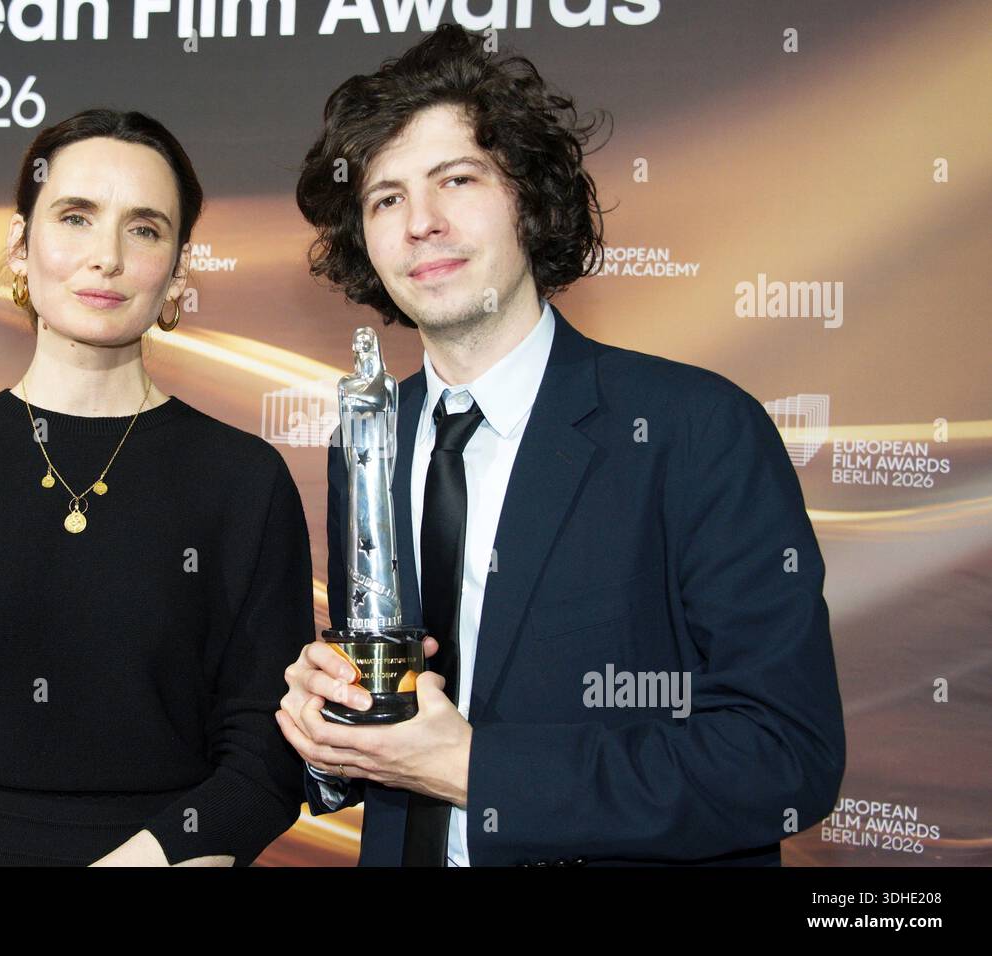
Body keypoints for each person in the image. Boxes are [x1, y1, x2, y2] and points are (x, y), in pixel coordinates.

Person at [277, 24, 846, 867]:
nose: (420, 223)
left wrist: (473, 768)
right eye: (385, 198)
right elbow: (401, 732)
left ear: (529, 201)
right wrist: (333, 741)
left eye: (456, 180)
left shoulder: (697, 429)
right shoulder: (370, 435)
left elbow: (783, 758)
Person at [0, 108, 312, 866]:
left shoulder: (243, 481)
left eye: (144, 228)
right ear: (18, 243)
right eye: (75, 216)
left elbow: (268, 751)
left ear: (178, 268)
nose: (106, 257)